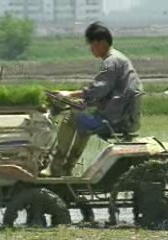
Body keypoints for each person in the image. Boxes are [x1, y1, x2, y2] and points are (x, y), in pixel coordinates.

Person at [41, 22, 144, 177]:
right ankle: (67, 167)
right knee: (82, 117)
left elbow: (96, 91)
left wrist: (68, 95)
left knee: (71, 118)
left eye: (93, 45)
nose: (91, 49)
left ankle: (55, 167)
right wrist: (83, 101)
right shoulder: (119, 59)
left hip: (116, 118)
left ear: (102, 42)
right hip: (121, 114)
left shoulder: (111, 62)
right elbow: (104, 94)